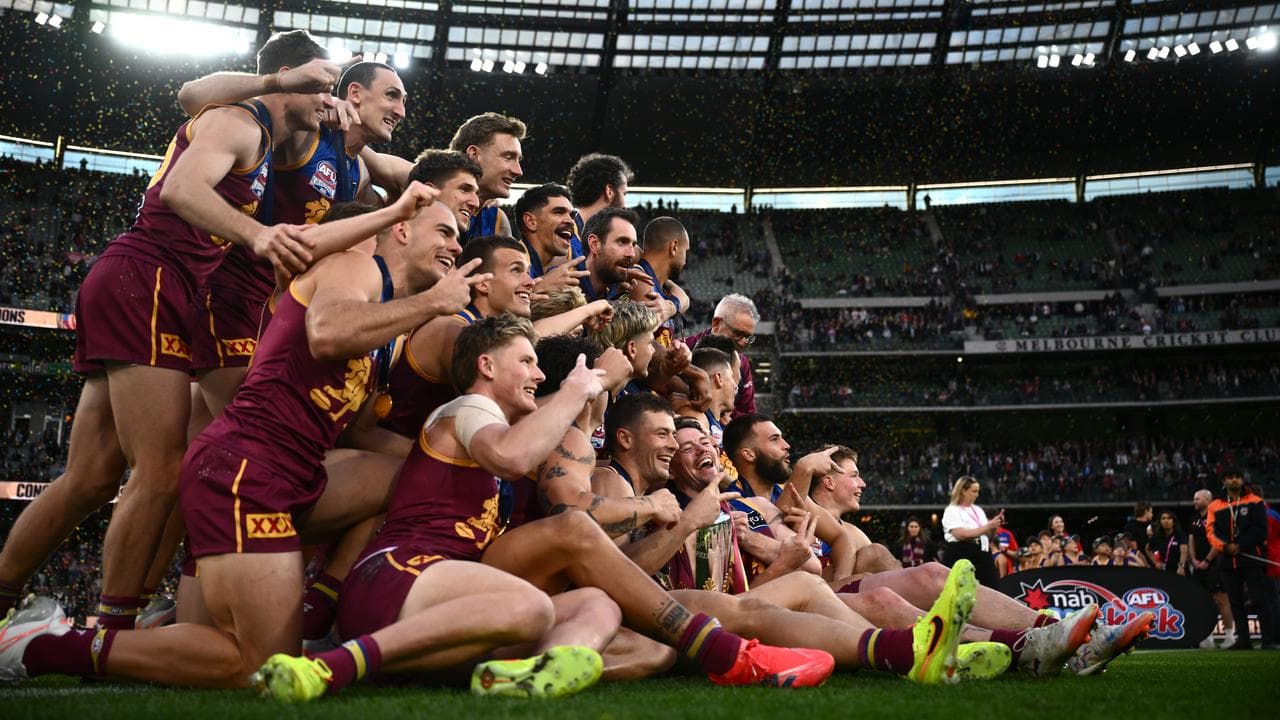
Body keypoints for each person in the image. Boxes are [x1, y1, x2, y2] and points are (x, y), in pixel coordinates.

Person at [0, 198, 490, 689]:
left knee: (407, 480)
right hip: (246, 472)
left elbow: (359, 428)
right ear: (401, 231)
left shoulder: (386, 321)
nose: (456, 245)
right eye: (444, 232)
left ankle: (311, 607)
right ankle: (44, 644)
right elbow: (326, 334)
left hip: (292, 473)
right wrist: (433, 303)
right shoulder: (356, 266)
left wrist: (448, 454)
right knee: (257, 665)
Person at [0, 29, 334, 628]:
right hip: (150, 279)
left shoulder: (254, 127)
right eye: (324, 83)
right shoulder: (241, 122)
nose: (330, 97)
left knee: (90, 479)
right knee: (160, 469)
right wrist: (257, 234)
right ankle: (112, 629)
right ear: (295, 77)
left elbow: (190, 94)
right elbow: (181, 188)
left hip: (141, 282)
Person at [1205, 468, 1279, 650]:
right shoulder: (1215, 505)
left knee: (1259, 599)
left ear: (1242, 480)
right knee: (1235, 602)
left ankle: (1268, 640)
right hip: (1228, 561)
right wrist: (1225, 546)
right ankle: (1243, 640)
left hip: (1251, 558)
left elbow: (1261, 530)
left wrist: (1240, 545)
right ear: (1224, 481)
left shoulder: (1255, 501)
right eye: (1230, 478)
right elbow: (1211, 532)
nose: (1235, 480)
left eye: (1238, 477)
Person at [450, 112, 526, 242]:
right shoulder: (424, 204)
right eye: (508, 157)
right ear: (474, 155)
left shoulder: (496, 221)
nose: (518, 171)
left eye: (518, 160)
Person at [685, 294, 759, 417]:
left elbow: (748, 415)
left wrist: (728, 417)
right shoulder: (685, 349)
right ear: (716, 324)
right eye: (738, 333)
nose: (743, 342)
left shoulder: (743, 363)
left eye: (748, 337)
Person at [1189, 488, 1236, 647]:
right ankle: (1206, 636)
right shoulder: (1194, 518)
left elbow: (1219, 541)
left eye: (1197, 498)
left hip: (1215, 564)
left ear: (1208, 500)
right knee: (1201, 601)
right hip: (1198, 565)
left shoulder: (1217, 516)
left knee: (1222, 600)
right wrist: (1193, 559)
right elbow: (1191, 540)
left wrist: (1207, 560)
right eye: (1194, 498)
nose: (1194, 501)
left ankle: (1229, 636)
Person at [940, 476, 1002, 588]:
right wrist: (987, 526)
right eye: (974, 491)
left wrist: (993, 526)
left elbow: (988, 536)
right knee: (962, 591)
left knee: (992, 588)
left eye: (977, 491)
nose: (977, 495)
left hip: (983, 552)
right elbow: (961, 535)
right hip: (962, 553)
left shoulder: (978, 510)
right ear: (963, 491)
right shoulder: (952, 510)